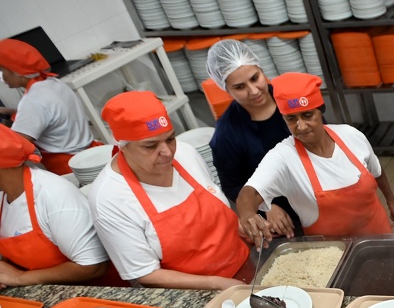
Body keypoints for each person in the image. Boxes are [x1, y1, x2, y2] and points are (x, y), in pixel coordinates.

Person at [88, 91, 252, 289]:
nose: (167, 152)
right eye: (150, 146)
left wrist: (242, 227)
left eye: (170, 138)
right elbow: (146, 273)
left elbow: (215, 207)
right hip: (191, 293)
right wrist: (216, 283)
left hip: (243, 265)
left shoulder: (186, 153)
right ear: (123, 146)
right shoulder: (109, 197)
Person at [237, 72, 394, 245]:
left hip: (379, 234)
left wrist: (391, 201)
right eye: (291, 119)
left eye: (307, 115)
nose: (300, 126)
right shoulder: (283, 157)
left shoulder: (350, 135)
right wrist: (248, 215)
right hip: (332, 253)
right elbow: (250, 192)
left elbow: (376, 170)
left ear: (320, 111)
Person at [205, 39, 301, 237]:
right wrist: (267, 207)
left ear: (261, 68)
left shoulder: (292, 98)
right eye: (240, 87)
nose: (254, 90)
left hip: (321, 192)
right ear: (226, 89)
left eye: (255, 78)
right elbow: (232, 185)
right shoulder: (227, 134)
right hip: (283, 217)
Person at [0, 125, 112, 286]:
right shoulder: (5, 196)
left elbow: (94, 266)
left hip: (96, 293)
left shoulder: (53, 195)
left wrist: (20, 278)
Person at [0, 38, 95, 175]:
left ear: (17, 71)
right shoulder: (53, 83)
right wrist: (11, 112)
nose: (2, 78)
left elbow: (17, 146)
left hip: (69, 166)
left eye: (2, 71)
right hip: (87, 152)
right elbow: (46, 114)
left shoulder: (33, 101)